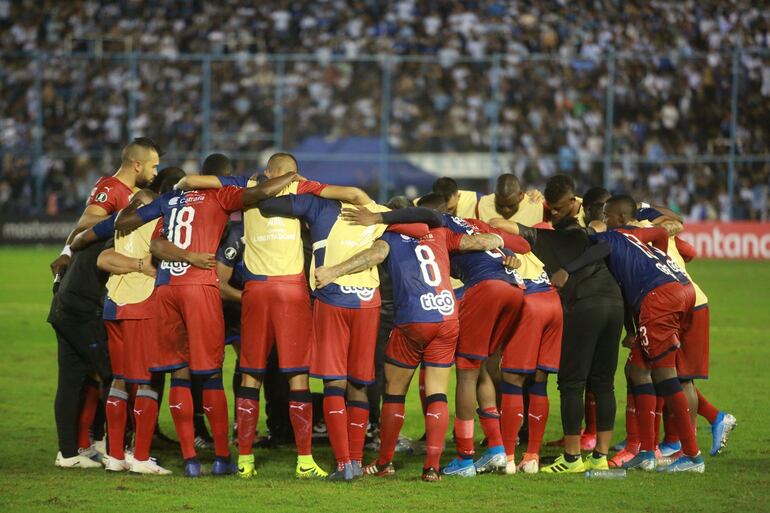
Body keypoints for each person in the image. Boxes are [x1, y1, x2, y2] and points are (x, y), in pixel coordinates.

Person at [177, 152, 376, 478]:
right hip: (292, 289)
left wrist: (254, 183)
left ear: (269, 170)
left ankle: (244, 460)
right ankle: (305, 461)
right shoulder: (301, 188)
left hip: (256, 290)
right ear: (291, 173)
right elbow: (352, 194)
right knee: (297, 376)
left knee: (250, 374)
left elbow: (191, 181)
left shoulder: (247, 185)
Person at [114, 170, 298, 476]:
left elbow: (141, 236)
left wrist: (136, 208)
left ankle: (189, 461)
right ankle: (221, 458)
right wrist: (290, 175)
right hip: (199, 288)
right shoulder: (219, 195)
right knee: (211, 375)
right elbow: (259, 193)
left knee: (178, 374)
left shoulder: (170, 200)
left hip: (165, 287)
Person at [323, 194, 509, 481]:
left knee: (395, 392)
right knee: (437, 393)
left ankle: (385, 462)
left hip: (413, 318)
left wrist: (334, 270)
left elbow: (373, 256)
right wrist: (499, 242)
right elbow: (482, 242)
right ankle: (432, 468)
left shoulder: (390, 236)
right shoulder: (439, 233)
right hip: (446, 317)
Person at [255, 192, 439, 481]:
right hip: (368, 302)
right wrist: (380, 218)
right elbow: (429, 220)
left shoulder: (319, 207)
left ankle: (345, 464)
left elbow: (266, 204)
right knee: (359, 384)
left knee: (334, 384)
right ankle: (354, 458)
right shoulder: (376, 213)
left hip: (333, 298)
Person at [490, 175, 624, 474]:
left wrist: (494, 226)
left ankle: (573, 458)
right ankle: (600, 456)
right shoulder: (588, 234)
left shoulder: (545, 238)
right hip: (613, 303)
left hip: (584, 306)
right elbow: (604, 246)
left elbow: (504, 225)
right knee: (603, 383)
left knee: (571, 383)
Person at [564, 195, 704, 473]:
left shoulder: (613, 236)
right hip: (681, 288)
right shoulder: (638, 233)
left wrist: (568, 268)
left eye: (606, 214)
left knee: (664, 376)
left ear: (617, 218)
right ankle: (646, 452)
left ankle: (691, 455)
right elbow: (662, 232)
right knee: (639, 369)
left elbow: (596, 249)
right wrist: (662, 256)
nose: (604, 218)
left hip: (659, 299)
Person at [408, 194, 531, 478]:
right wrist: (499, 243)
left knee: (466, 371)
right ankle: (497, 449)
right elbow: (523, 244)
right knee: (484, 367)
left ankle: (464, 457)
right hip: (514, 290)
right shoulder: (474, 223)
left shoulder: (434, 230)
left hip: (486, 289)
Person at [634, 206, 736, 458]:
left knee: (681, 378)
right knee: (667, 374)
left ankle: (684, 447)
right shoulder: (657, 232)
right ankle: (705, 423)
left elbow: (680, 231)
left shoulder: (640, 233)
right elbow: (688, 250)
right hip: (681, 302)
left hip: (686, 305)